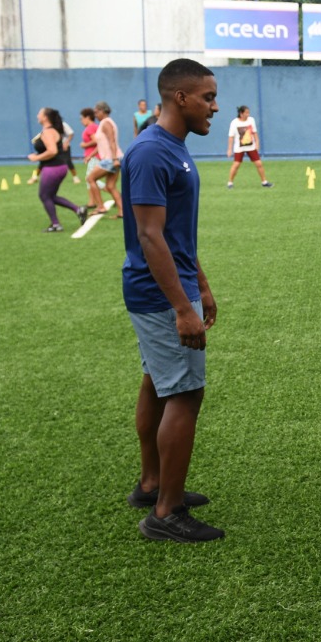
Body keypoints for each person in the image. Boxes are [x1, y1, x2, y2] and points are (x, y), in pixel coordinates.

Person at [121, 58, 222, 542]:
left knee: (157, 383)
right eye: (207, 97)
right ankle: (165, 513)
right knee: (184, 392)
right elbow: (150, 236)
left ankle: (152, 483)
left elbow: (177, 235)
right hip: (160, 294)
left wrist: (200, 284)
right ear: (179, 97)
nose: (214, 107)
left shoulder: (172, 148)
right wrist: (182, 306)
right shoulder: (151, 152)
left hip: (174, 286)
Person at [27, 107, 87, 232]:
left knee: (44, 196)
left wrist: (36, 157)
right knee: (50, 196)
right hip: (59, 167)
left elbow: (52, 151)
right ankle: (78, 210)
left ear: (45, 117)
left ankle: (56, 224)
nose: (37, 115)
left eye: (39, 113)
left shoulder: (48, 132)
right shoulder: (50, 130)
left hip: (53, 168)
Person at [90, 101, 123, 219]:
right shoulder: (104, 123)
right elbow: (101, 144)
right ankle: (122, 211)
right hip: (113, 158)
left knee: (90, 178)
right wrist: (91, 155)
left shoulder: (106, 123)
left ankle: (100, 207)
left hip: (111, 159)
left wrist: (114, 159)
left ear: (103, 111)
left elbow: (112, 141)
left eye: (96, 112)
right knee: (110, 186)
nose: (95, 115)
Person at [225, 105, 272, 188]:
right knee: (236, 165)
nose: (248, 114)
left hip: (251, 147)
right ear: (241, 113)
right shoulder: (234, 123)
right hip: (239, 147)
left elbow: (254, 132)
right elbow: (231, 136)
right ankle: (230, 183)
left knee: (259, 163)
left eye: (248, 113)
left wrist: (257, 143)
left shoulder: (251, 120)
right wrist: (229, 149)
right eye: (246, 113)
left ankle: (264, 182)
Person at [79, 107, 101, 214]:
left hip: (94, 156)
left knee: (91, 178)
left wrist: (84, 145)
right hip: (95, 156)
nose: (81, 121)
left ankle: (95, 202)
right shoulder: (96, 127)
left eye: (82, 119)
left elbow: (96, 141)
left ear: (87, 117)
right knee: (90, 178)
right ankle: (92, 201)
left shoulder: (90, 128)